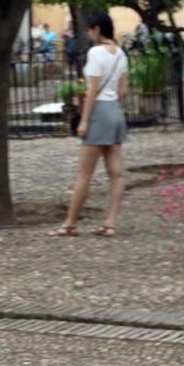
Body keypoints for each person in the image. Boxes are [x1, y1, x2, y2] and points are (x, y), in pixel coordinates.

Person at [47, 12, 128, 238]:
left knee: (84, 174)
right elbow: (123, 91)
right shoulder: (121, 54)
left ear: (98, 30)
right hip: (115, 112)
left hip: (99, 113)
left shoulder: (95, 53)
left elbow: (92, 89)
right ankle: (110, 223)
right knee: (117, 174)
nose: (89, 34)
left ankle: (70, 224)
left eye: (90, 30)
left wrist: (84, 119)